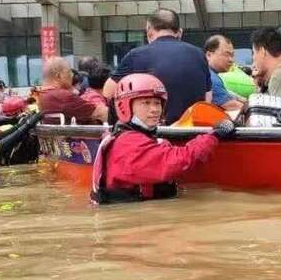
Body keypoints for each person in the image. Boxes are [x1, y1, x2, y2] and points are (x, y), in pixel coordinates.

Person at [91, 74, 235, 204]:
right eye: (146, 103)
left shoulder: (127, 137)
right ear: (125, 107)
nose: (154, 109)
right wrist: (215, 135)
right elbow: (177, 160)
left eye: (157, 103)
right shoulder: (128, 144)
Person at [103, 9, 211, 124]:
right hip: (192, 132)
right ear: (179, 32)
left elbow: (108, 93)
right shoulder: (199, 55)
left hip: (154, 134)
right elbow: (207, 98)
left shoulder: (136, 55)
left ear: (149, 30)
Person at [38, 57, 108, 124]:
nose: (72, 75)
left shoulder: (42, 93)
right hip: (75, 135)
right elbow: (100, 113)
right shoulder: (62, 96)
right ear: (59, 76)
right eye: (69, 71)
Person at [204, 35, 244, 111]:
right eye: (226, 54)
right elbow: (234, 106)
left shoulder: (208, 73)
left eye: (232, 55)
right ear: (209, 55)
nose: (231, 60)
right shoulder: (210, 78)